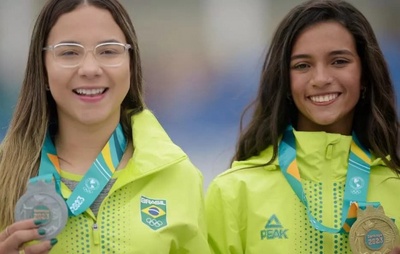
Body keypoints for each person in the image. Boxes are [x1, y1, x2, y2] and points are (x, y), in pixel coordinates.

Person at [0, 0, 209, 253]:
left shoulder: (178, 175)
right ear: (42, 69)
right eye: (69, 52)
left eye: (108, 51)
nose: (90, 69)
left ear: (131, 64)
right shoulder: (4, 175)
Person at [205, 0, 400, 253]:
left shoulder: (395, 185)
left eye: (339, 61)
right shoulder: (234, 191)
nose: (320, 79)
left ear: (364, 75)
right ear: (284, 81)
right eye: (302, 66)